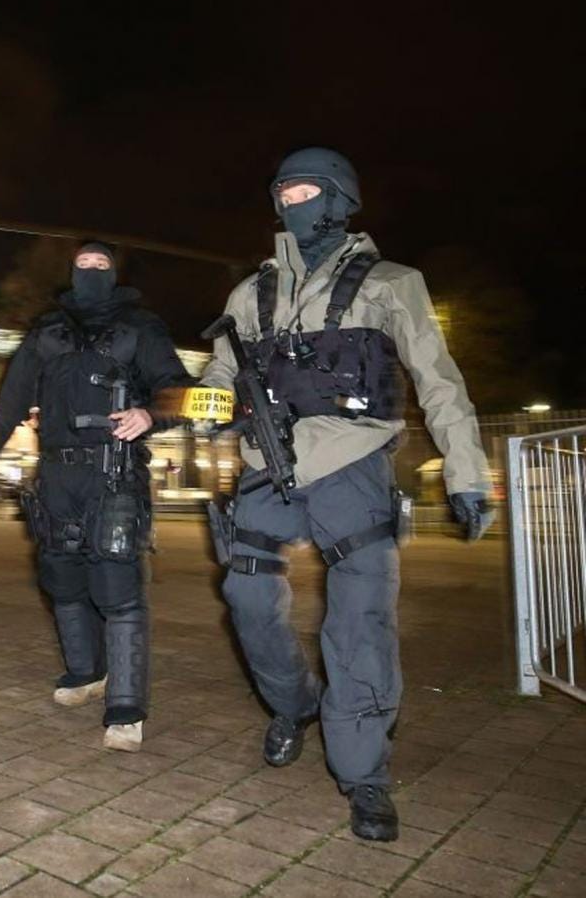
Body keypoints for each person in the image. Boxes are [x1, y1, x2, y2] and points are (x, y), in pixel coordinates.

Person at [197, 146, 492, 842]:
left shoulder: (391, 282)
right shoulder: (250, 294)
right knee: (244, 595)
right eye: (280, 192)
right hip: (267, 463)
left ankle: (363, 776)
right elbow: (217, 370)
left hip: (354, 464)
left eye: (301, 189)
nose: (287, 201)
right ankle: (293, 704)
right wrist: (194, 406)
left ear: (336, 197)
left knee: (358, 622)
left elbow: (439, 379)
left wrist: (467, 472)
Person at [0, 242, 192, 750]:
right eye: (83, 265)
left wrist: (149, 416)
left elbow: (179, 391)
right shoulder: (47, 331)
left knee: (117, 585)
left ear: (115, 274)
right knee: (61, 578)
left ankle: (126, 708)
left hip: (113, 474)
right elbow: (11, 399)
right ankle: (86, 673)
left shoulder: (141, 326)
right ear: (71, 272)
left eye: (101, 265)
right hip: (55, 478)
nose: (91, 271)